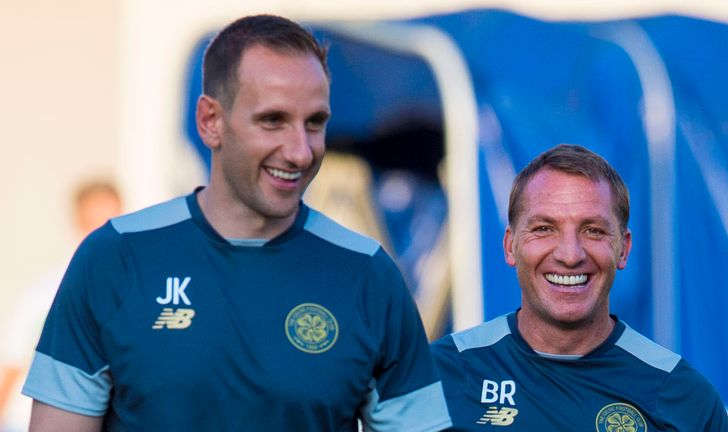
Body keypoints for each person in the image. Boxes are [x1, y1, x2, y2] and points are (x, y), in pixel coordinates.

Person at [22, 14, 452, 432]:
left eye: (315, 123)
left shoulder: (369, 275)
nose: (300, 152)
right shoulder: (115, 258)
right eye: (273, 120)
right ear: (211, 122)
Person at [431, 144, 728, 431]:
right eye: (544, 229)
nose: (570, 255)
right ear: (511, 246)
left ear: (623, 249)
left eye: (593, 230)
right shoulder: (438, 376)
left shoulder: (683, 399)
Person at [0, 180, 122, 432]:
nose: (103, 232)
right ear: (79, 222)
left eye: (111, 220)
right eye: (94, 222)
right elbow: (13, 365)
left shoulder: (131, 291)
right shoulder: (45, 293)